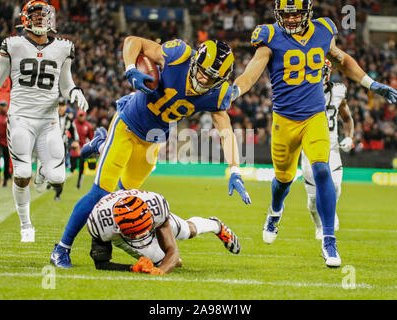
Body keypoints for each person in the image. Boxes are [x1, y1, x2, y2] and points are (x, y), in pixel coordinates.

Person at [50, 36, 250, 268]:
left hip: (153, 142)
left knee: (126, 202)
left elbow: (225, 130)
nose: (204, 79)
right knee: (100, 193)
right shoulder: (179, 56)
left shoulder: (217, 94)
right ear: (195, 60)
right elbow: (133, 41)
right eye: (203, 71)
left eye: (212, 77)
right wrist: (131, 69)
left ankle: (101, 145)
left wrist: (235, 168)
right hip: (127, 125)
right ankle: (61, 249)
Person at [232, 0, 397, 267]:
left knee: (322, 170)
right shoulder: (270, 35)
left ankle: (329, 240)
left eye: (296, 13)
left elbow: (342, 60)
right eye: (285, 15)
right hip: (284, 120)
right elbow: (253, 70)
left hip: (314, 117)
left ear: (308, 13)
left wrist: (371, 83)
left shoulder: (322, 31)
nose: (290, 19)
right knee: (283, 180)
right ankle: (275, 211)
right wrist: (237, 89)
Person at [0, 0, 88, 242]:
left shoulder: (63, 47)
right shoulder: (13, 44)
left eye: (44, 14)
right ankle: (26, 225)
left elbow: (66, 82)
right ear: (25, 18)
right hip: (20, 117)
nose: (40, 18)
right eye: (35, 14)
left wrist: (75, 92)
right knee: (20, 173)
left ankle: (43, 169)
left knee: (58, 178)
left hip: (49, 120)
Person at [87, 188, 241, 274]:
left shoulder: (156, 208)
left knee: (186, 231)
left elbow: (172, 251)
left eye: (144, 231)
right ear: (117, 228)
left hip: (154, 221)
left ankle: (215, 225)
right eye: (137, 233)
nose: (143, 237)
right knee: (171, 263)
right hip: (125, 234)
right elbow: (101, 264)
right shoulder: (100, 224)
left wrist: (160, 272)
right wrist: (133, 268)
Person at [300, 59, 354, 240]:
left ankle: (330, 213)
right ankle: (318, 224)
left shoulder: (338, 91)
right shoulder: (299, 91)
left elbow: (347, 118)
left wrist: (348, 137)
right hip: (309, 148)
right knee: (314, 199)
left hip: (331, 147)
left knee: (336, 185)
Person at [70, 110, 94, 189]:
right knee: (72, 166)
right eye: (80, 115)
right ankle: (71, 171)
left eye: (82, 115)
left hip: (83, 148)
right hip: (73, 148)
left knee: (81, 166)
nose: (81, 117)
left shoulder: (88, 125)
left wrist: (91, 149)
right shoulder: (73, 123)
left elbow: (91, 137)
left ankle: (78, 184)